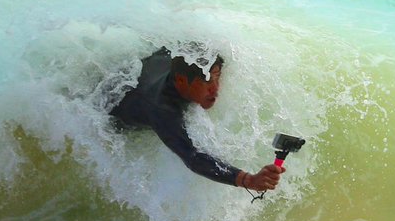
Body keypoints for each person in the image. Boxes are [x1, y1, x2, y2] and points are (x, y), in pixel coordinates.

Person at [110, 48, 281, 195]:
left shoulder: (181, 59)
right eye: (207, 81)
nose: (215, 89)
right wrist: (248, 180)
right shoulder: (163, 109)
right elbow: (193, 157)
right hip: (111, 111)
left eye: (217, 77)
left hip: (145, 70)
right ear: (182, 81)